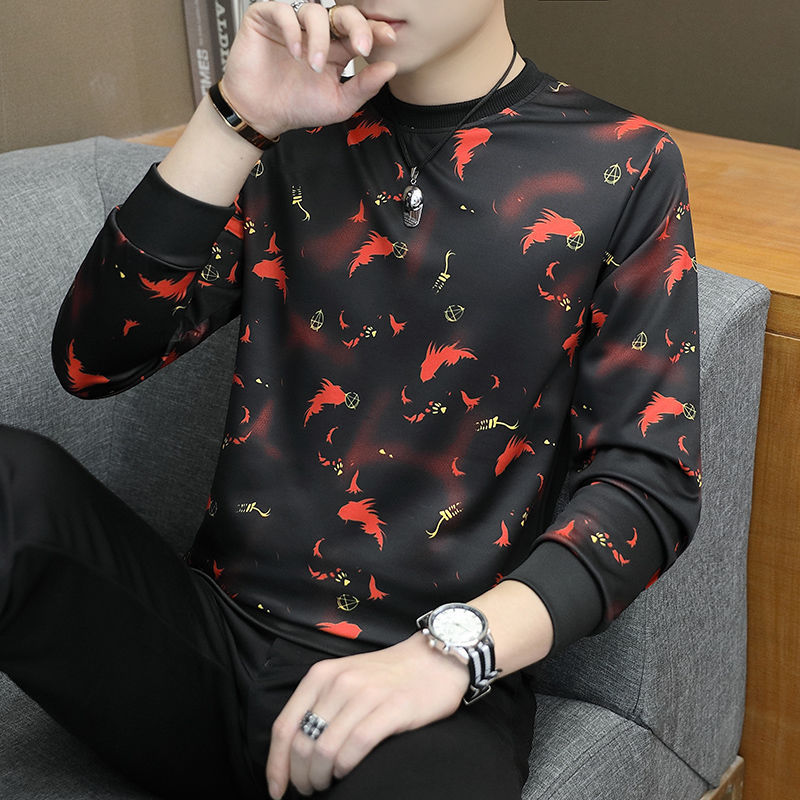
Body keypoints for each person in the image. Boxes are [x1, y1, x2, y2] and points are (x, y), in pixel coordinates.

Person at [0, 1, 701, 798]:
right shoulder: (290, 135)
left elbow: (649, 481)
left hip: (419, 696)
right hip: (204, 643)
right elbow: (93, 360)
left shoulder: (623, 163)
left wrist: (452, 653)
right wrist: (236, 118)